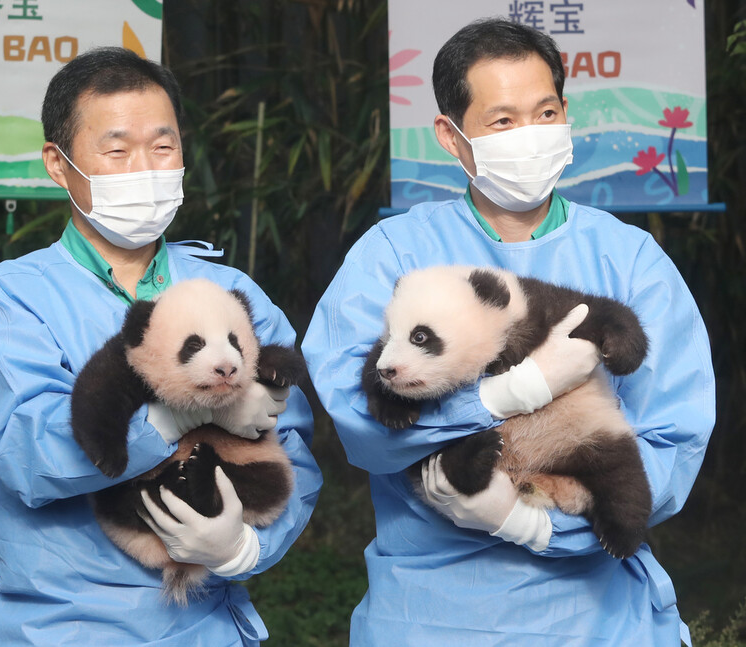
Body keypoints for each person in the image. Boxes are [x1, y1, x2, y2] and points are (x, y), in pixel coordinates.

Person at [303, 18, 714, 647]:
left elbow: (673, 440)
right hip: (432, 613)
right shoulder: (393, 256)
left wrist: (536, 527)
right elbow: (360, 423)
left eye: (545, 113)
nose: (530, 135)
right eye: (501, 122)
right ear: (450, 135)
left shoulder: (628, 260)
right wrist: (504, 395)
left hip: (598, 618)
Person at [0, 47, 322, 646]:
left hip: (208, 627)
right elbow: (30, 456)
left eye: (163, 147)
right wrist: (188, 411)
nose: (144, 167)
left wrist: (244, 548)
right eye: (117, 150)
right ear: (59, 163)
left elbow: (295, 451)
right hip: (63, 628)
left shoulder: (231, 293)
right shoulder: (6, 303)